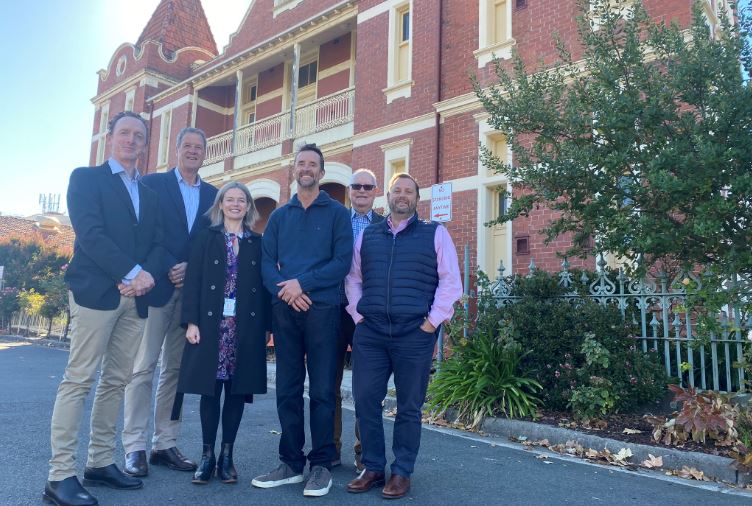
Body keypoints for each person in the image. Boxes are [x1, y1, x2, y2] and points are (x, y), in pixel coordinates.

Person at [44, 111, 168, 506]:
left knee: (116, 380)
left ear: (145, 144)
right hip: (96, 293)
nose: (131, 140)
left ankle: (99, 462)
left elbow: (161, 243)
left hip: (136, 300)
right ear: (110, 137)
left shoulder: (149, 193)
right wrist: (132, 272)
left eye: (138, 135)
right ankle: (60, 475)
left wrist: (145, 275)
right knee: (79, 380)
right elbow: (91, 233)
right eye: (124, 133)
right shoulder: (86, 179)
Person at [345, 173, 462, 500]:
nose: (402, 195)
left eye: (409, 191)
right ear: (389, 196)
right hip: (372, 333)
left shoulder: (435, 233)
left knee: (409, 406)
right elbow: (353, 279)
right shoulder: (367, 236)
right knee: (366, 400)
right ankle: (372, 467)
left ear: (416, 198)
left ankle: (401, 472)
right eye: (397, 190)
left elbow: (451, 283)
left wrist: (431, 323)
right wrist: (358, 314)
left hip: (415, 334)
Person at [252, 144, 352, 497]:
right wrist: (287, 290)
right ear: (294, 171)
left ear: (322, 174)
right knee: (288, 389)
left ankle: (321, 465)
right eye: (301, 163)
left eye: (313, 164)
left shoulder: (338, 214)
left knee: (324, 390)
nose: (306, 168)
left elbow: (341, 262)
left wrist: (303, 284)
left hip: (324, 310)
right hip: (286, 310)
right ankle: (291, 463)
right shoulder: (280, 216)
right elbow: (266, 262)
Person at [122, 127, 217, 478]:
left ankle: (165, 442)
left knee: (176, 371)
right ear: (176, 149)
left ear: (205, 154)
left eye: (199, 147)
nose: (193, 151)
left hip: (190, 295)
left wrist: (192, 268)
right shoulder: (153, 185)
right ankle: (134, 446)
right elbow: (144, 234)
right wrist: (167, 267)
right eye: (187, 145)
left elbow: (211, 243)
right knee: (143, 367)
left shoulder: (213, 194)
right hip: (157, 288)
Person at [171, 181, 271, 485]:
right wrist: (191, 322)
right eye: (231, 199)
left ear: (249, 207)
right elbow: (193, 284)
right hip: (211, 326)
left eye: (242, 200)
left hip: (244, 328)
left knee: (237, 392)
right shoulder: (206, 238)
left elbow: (265, 289)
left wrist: (266, 328)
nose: (236, 204)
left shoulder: (257, 242)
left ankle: (227, 456)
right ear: (221, 204)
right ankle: (207, 456)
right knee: (210, 391)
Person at [333, 169, 384, 471]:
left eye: (368, 186)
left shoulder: (384, 225)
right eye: (356, 186)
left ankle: (364, 454)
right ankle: (330, 449)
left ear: (375, 191)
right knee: (329, 383)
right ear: (349, 191)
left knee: (367, 386)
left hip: (366, 315)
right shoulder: (335, 222)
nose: (362, 190)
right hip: (334, 310)